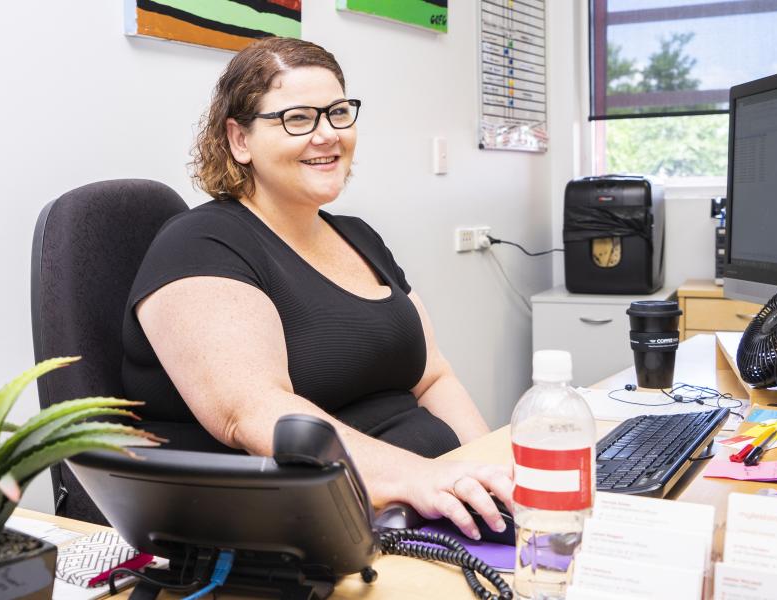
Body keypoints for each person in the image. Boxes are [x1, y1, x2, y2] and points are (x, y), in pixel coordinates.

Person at [121, 37, 513, 540]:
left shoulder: (358, 236)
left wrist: (489, 473)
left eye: (338, 113)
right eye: (297, 118)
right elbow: (254, 413)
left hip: (438, 507)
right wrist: (423, 478)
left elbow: (433, 377)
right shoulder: (199, 245)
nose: (327, 134)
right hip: (317, 528)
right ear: (239, 140)